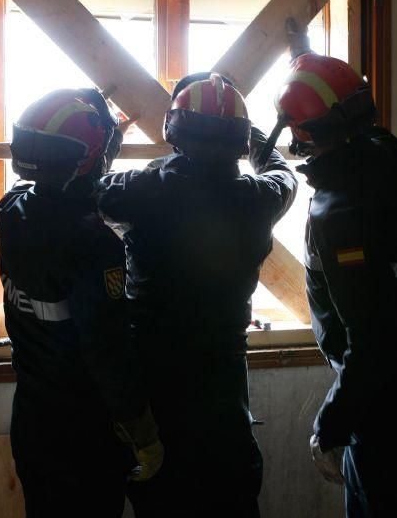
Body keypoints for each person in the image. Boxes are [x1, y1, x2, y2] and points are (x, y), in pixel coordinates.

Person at [97, 72, 297, 518]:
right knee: (231, 498)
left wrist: (108, 142)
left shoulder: (139, 192)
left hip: (154, 385)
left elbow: (89, 188)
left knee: (161, 499)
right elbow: (284, 174)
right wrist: (256, 140)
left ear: (173, 128)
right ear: (239, 140)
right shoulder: (258, 199)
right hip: (222, 387)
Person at [269, 50, 397, 517]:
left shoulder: (339, 215)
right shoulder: (388, 152)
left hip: (379, 396)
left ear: (302, 131)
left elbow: (370, 340)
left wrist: (332, 425)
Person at [0, 88, 163, 518]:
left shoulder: (11, 209)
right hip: (81, 434)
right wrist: (142, 432)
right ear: (90, 159)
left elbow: (55, 192)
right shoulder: (92, 244)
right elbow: (107, 350)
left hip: (33, 418)